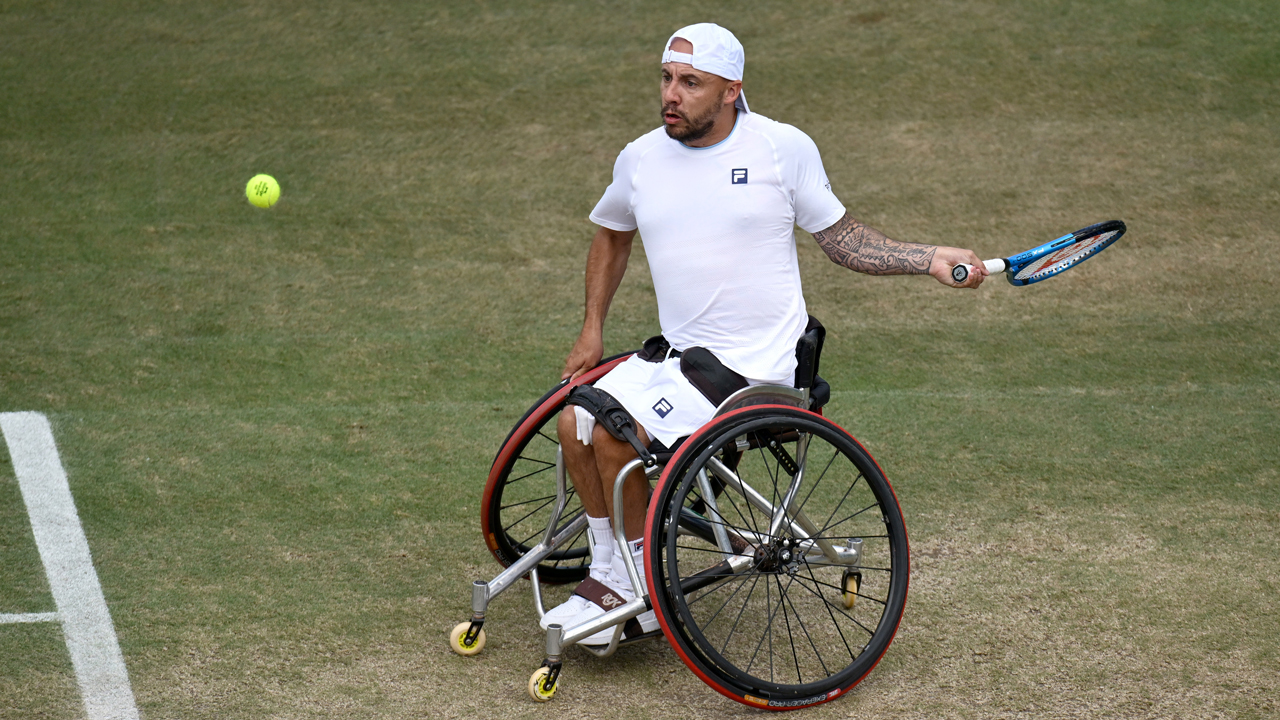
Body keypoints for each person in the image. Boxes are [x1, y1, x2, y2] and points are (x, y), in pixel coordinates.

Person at [541, 23, 987, 644]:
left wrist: (929, 256)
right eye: (667, 79)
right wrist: (591, 330)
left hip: (754, 372)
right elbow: (613, 233)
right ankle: (614, 568)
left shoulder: (781, 149)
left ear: (731, 90)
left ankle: (638, 583)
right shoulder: (640, 157)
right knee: (572, 423)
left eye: (691, 83)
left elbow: (843, 240)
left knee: (615, 438)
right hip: (681, 360)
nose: (672, 94)